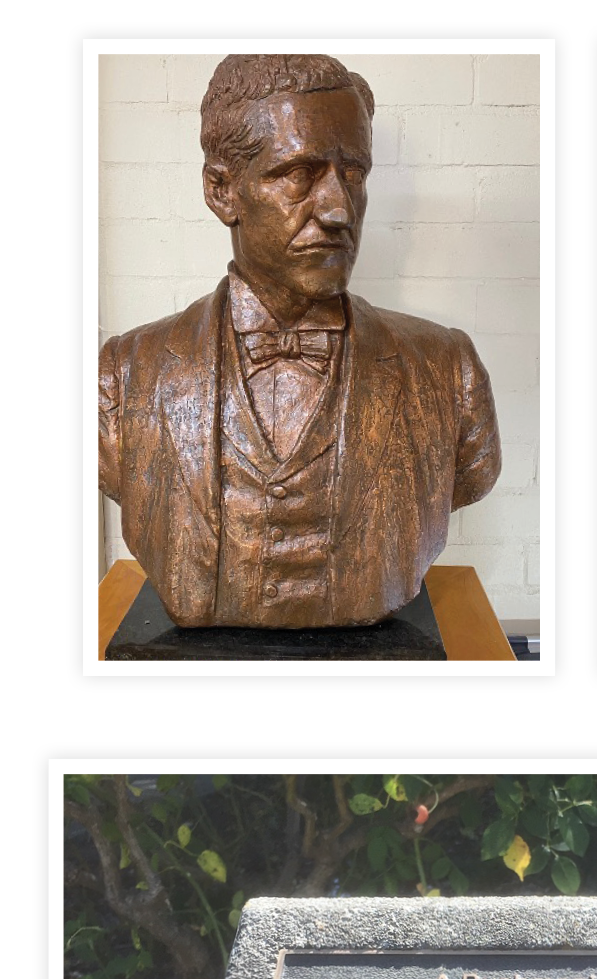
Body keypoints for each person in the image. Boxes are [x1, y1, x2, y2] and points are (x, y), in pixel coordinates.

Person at [99, 54, 500, 628]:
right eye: (298, 174)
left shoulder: (445, 369)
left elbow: (473, 477)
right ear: (221, 191)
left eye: (354, 175)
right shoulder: (123, 375)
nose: (339, 209)